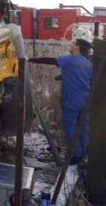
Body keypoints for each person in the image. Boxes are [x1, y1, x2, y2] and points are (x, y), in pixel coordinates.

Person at [29, 27, 93, 165]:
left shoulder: (71, 59)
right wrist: (62, 76)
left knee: (69, 126)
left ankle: (76, 155)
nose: (70, 45)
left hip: (71, 100)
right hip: (85, 100)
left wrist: (29, 59)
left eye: (72, 43)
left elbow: (51, 60)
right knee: (82, 127)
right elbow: (82, 77)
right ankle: (84, 154)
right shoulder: (88, 63)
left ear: (77, 46)